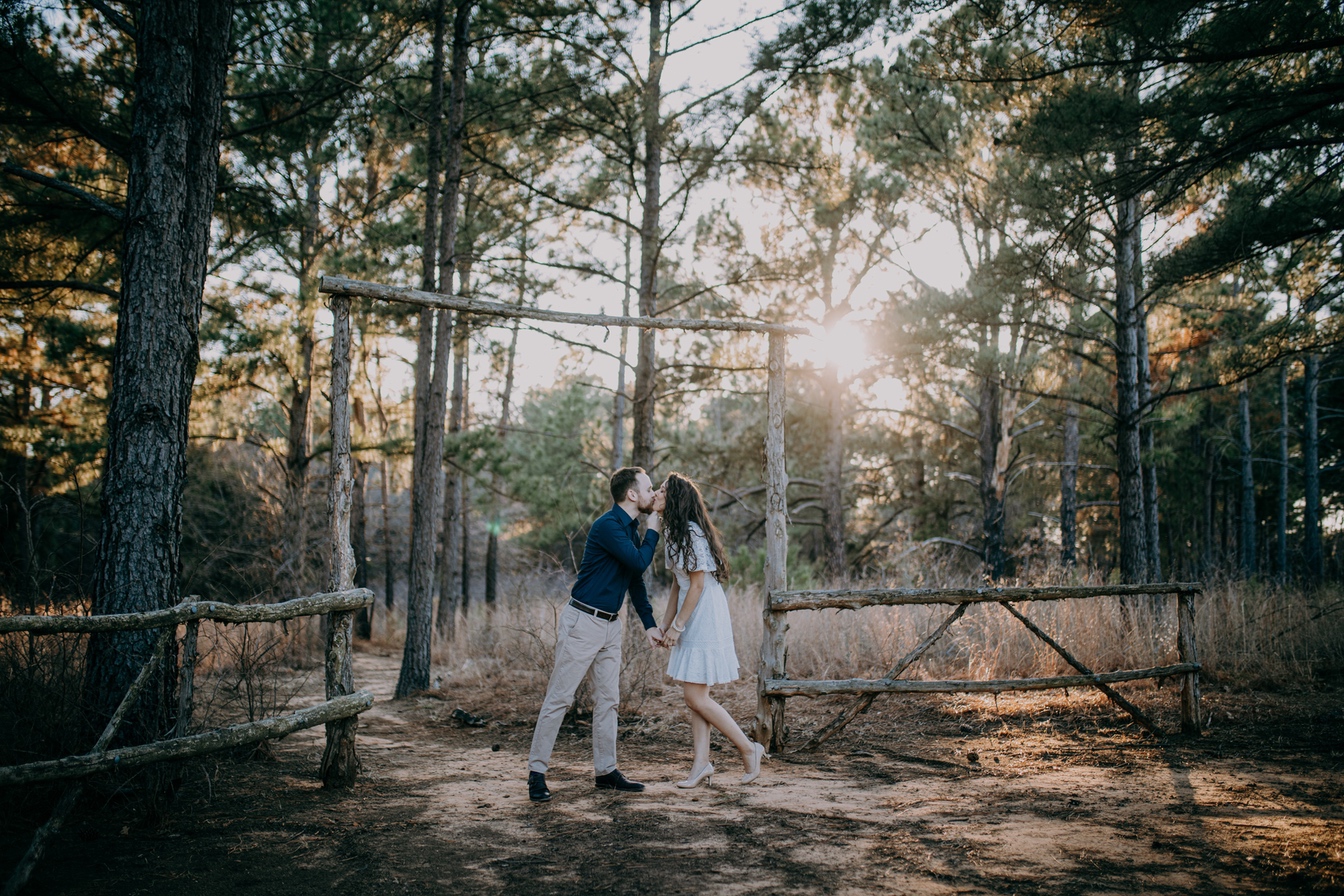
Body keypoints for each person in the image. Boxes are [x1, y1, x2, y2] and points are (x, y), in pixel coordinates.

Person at [526, 467, 666, 803]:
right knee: (560, 697)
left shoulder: (629, 530)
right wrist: (655, 527)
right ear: (631, 495)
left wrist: (648, 623)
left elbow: (635, 579)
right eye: (648, 488)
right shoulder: (608, 527)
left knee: (609, 700)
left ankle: (606, 771)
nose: (652, 493)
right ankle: (536, 773)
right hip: (583, 622)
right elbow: (640, 561)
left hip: (610, 626)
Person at [657, 472, 766, 787]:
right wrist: (665, 625)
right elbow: (678, 587)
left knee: (695, 696)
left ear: (675, 499)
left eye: (663, 490)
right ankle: (701, 763)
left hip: (704, 611)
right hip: (693, 607)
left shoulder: (690, 532)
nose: (658, 494)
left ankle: (749, 748)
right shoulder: (674, 532)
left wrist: (678, 626)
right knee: (696, 695)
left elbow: (698, 584)